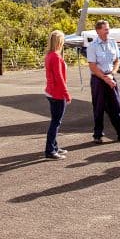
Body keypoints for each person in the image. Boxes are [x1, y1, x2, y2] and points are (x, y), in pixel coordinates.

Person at [87, 20, 120, 144]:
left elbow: (117, 61)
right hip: (98, 79)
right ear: (98, 31)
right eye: (105, 29)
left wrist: (112, 74)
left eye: (108, 29)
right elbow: (92, 66)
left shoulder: (113, 42)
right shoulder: (92, 46)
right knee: (98, 107)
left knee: (117, 106)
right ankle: (97, 135)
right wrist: (105, 78)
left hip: (110, 76)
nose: (108, 31)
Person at [44, 30, 71, 160]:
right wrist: (66, 93)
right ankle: (50, 150)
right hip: (57, 94)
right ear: (60, 42)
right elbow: (59, 77)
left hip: (50, 92)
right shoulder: (56, 57)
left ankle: (54, 146)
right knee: (56, 122)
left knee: (55, 121)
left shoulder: (49, 55)